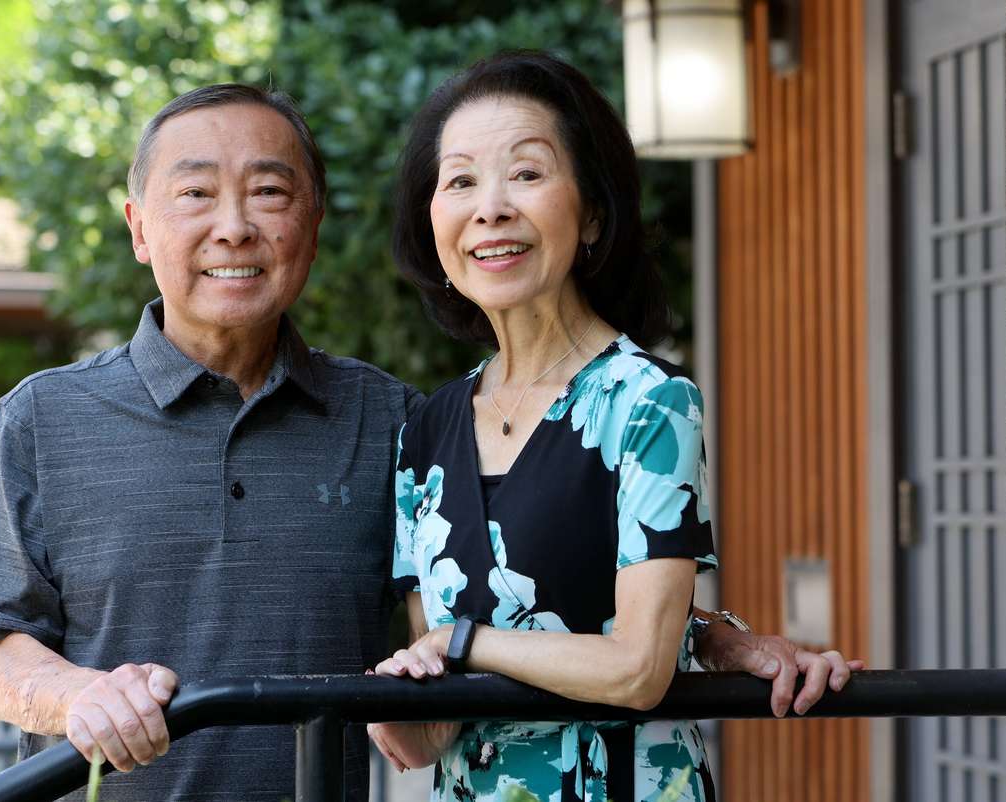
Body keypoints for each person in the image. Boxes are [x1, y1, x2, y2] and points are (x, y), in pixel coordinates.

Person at [0, 82, 855, 802]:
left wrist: (717, 640)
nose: (234, 226)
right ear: (140, 225)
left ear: (311, 224)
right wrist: (79, 697)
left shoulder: (391, 420)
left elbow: (507, 577)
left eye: (269, 192)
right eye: (194, 194)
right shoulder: (42, 417)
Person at [367, 51, 858, 802]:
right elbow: (439, 728)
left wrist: (461, 642)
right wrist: (404, 704)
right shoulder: (423, 434)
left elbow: (638, 668)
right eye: (460, 180)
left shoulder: (649, 402)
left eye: (527, 174)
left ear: (592, 210)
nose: (490, 207)